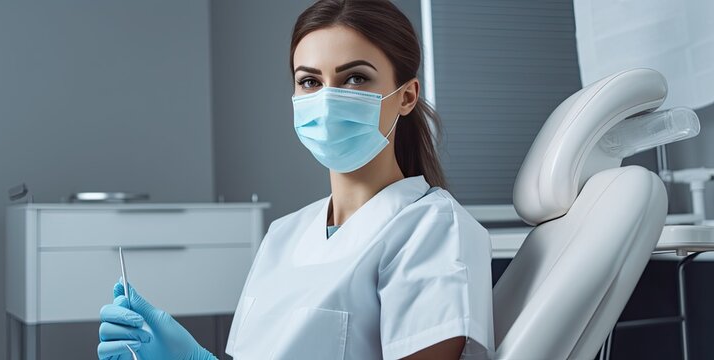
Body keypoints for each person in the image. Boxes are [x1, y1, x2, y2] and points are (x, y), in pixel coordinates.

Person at [97, 0, 494, 359]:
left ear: (406, 96)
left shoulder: (433, 230)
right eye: (310, 81)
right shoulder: (283, 235)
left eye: (355, 78)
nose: (327, 99)